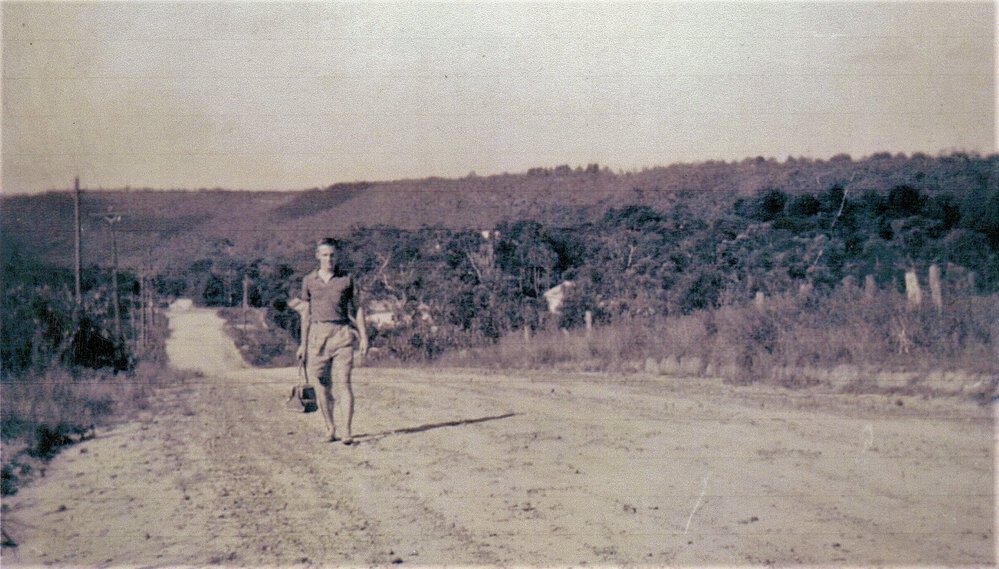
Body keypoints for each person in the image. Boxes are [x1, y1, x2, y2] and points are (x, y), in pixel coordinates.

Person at [297, 238, 368, 444]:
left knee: (344, 384)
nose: (329, 259)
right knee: (321, 385)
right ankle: (330, 427)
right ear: (317, 256)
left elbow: (358, 308)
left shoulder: (347, 279)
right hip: (317, 336)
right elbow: (305, 315)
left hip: (342, 334)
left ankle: (346, 430)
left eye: (332, 255)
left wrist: (364, 336)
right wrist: (302, 344)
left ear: (337, 256)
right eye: (325, 255)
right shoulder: (308, 280)